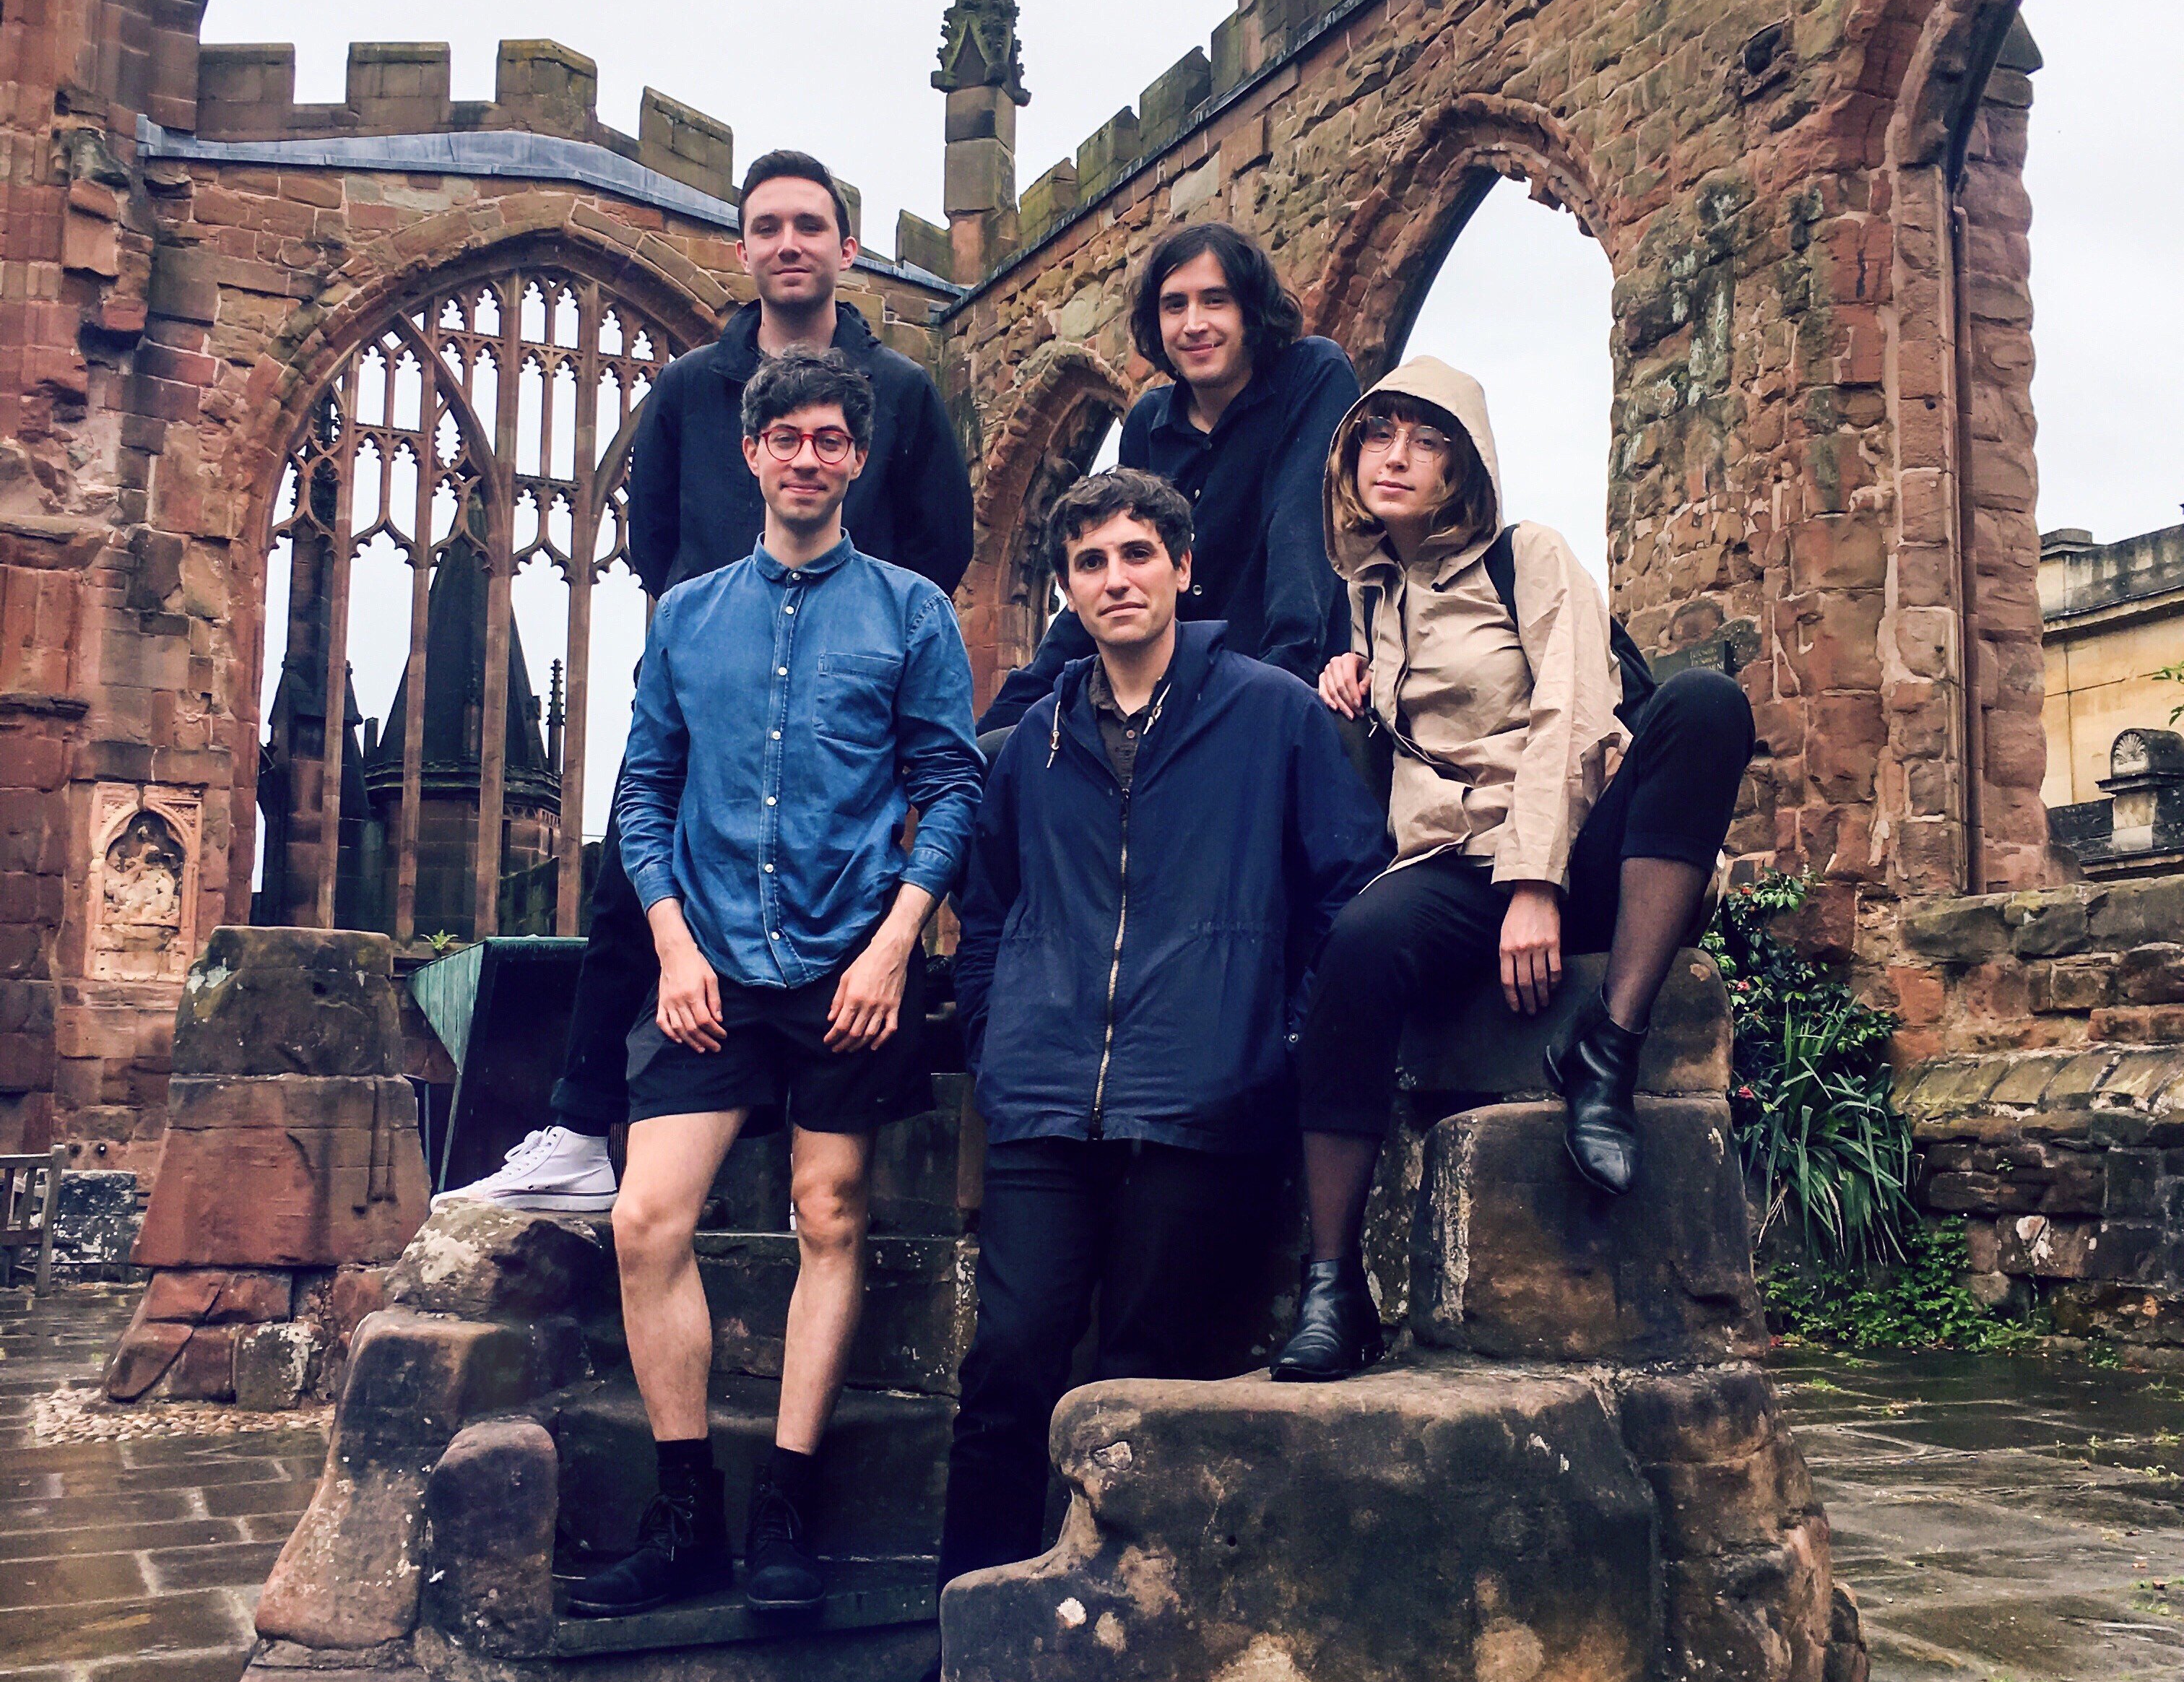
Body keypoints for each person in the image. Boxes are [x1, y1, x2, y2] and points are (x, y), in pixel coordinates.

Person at [855, 467, 1387, 1682]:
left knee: (1155, 1388)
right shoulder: (1027, 744)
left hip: (1202, 1109)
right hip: (1040, 1108)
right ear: (1066, 590)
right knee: (1007, 1375)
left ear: (1182, 569)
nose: (1113, 576)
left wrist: (1265, 1042)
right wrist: (1003, 1020)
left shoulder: (1269, 715)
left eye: (1135, 551)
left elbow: (1347, 893)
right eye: (1087, 558)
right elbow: (992, 900)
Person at [441, 149, 974, 1215]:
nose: (789, 244)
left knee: (845, 883)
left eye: (809, 227)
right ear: (744, 249)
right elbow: (656, 540)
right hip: (713, 669)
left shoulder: (903, 391)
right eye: (768, 227)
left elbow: (943, 545)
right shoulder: (690, 386)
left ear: (844, 249)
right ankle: (580, 1124)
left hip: (849, 695)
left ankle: (784, 1118)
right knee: (628, 887)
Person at [564, 348, 983, 1617]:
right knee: (645, 1217)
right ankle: (686, 1513)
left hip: (851, 961)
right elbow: (640, 792)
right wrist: (674, 944)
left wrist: (895, 940)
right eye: (784, 436)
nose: (807, 455)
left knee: (829, 1210)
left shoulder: (911, 612)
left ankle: (790, 1505)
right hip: (709, 971)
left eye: (829, 438)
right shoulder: (688, 615)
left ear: (857, 457)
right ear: (749, 454)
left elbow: (951, 784)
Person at [1269, 357, 1756, 1382]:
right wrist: (1346, 679)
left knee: (1706, 705)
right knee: (1355, 948)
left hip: (1577, 852)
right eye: (1377, 434)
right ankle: (1332, 1286)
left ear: (1466, 468)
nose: (1394, 456)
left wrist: (1534, 881)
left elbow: (1572, 714)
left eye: (1426, 439)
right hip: (1451, 862)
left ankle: (1607, 1053)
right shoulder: (1365, 602)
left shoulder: (1528, 556)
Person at [978, 221, 1358, 735]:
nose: (1193, 324)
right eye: (1175, 305)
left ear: (1250, 309)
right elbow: (1115, 567)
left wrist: (1279, 689)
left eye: (1215, 300)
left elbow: (1300, 533)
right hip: (1175, 709)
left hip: (1287, 698)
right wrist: (996, 730)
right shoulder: (1150, 423)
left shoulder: (1311, 373)